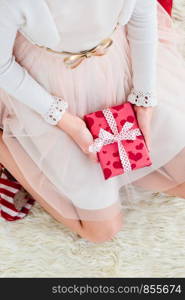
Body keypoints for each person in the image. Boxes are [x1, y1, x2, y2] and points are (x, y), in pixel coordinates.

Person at [0, 0, 185, 243]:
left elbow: (142, 17)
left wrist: (143, 101)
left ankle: (119, 169)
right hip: (46, 86)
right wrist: (66, 121)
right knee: (102, 231)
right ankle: (6, 145)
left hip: (117, 65)